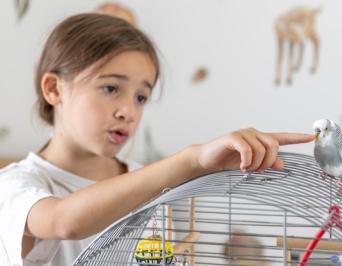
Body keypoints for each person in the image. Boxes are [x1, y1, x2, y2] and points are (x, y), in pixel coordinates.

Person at [0, 13, 314, 266]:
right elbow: (64, 221)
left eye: (141, 97)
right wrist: (193, 161)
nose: (128, 111)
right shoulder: (15, 185)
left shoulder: (148, 183)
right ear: (54, 89)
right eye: (111, 88)